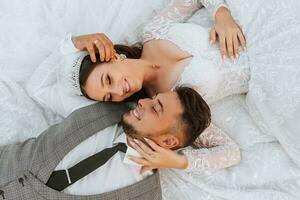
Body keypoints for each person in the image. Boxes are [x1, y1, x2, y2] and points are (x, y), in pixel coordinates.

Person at [27, 0, 242, 176]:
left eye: (109, 80)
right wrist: (177, 161)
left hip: (245, 22)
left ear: (114, 56)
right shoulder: (168, 103)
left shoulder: (153, 32)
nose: (119, 92)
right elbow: (230, 152)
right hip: (264, 74)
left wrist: (222, 15)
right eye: (110, 97)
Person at [0, 87, 211, 199]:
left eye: (156, 108)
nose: (143, 102)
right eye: (152, 98)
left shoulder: (145, 195)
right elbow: (41, 85)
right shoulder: (106, 102)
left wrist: (182, 161)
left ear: (169, 141)